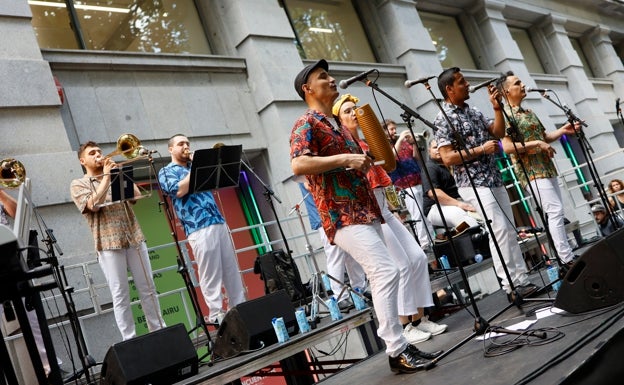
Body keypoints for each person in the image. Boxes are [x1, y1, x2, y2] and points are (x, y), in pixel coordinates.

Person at [290, 59, 441, 373]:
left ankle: (400, 345)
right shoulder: (306, 122)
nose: (331, 80)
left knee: (392, 270)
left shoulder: (337, 128)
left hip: (366, 211)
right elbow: (298, 165)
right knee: (386, 272)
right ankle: (396, 349)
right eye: (323, 77)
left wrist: (371, 154)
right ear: (308, 89)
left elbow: (372, 163)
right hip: (341, 216)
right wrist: (345, 157)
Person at [333, 94, 447, 344]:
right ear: (338, 120)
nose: (354, 114)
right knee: (400, 265)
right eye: (348, 111)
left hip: (384, 208)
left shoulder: (364, 143)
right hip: (369, 212)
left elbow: (391, 166)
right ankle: (404, 326)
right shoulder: (343, 146)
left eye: (355, 109)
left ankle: (419, 318)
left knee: (417, 258)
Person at [432, 67, 538, 302]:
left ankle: (522, 280)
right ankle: (510, 285)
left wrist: (497, 108)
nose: (468, 84)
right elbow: (447, 157)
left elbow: (498, 132)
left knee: (509, 230)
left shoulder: (474, 111)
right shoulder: (443, 117)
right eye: (462, 82)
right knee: (498, 229)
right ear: (449, 89)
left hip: (493, 177)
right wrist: (480, 149)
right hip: (473, 184)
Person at [70, 141, 165, 340]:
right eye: (92, 153)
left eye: (99, 151)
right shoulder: (78, 184)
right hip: (107, 243)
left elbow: (136, 196)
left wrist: (120, 175)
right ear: (82, 160)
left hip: (134, 237)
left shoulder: (115, 175)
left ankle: (159, 331)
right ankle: (129, 339)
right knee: (120, 294)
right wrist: (106, 177)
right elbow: (93, 204)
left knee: (148, 287)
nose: (98, 155)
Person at [158, 134, 246, 324]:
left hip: (217, 221)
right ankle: (216, 315)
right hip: (198, 227)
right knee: (210, 273)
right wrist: (197, 166)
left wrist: (200, 165)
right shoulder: (166, 171)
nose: (185, 146)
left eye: (187, 143)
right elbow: (178, 190)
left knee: (231, 269)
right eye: (180, 144)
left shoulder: (195, 167)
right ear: (170, 149)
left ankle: (239, 308)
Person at [498, 71, 579, 265]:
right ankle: (566, 257)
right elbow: (508, 147)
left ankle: (566, 254)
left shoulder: (528, 112)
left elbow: (545, 137)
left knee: (558, 211)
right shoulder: (506, 116)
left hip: (546, 167)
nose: (523, 85)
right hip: (531, 171)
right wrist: (536, 144)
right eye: (517, 83)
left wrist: (562, 130)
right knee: (555, 210)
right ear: (506, 91)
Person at [0, 189, 53, 376]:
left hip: (9, 258)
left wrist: (1, 193)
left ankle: (49, 366)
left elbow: (19, 214)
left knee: (30, 312)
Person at [297, 182, 368, 308]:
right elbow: (313, 187)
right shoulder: (304, 169)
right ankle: (341, 296)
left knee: (350, 253)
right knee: (335, 255)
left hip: (337, 213)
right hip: (325, 216)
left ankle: (359, 289)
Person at [384, 119, 434, 249]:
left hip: (418, 180)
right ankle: (424, 243)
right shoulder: (385, 146)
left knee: (426, 212)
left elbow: (416, 157)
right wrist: (400, 139)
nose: (394, 131)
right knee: (417, 214)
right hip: (405, 186)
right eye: (391, 129)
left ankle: (432, 240)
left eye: (395, 128)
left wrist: (415, 144)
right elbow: (391, 158)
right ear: (384, 131)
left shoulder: (405, 143)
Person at [422, 139, 480, 229]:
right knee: (461, 216)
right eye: (434, 147)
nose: (437, 150)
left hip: (456, 201)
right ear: (429, 150)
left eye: (439, 147)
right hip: (435, 207)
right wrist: (459, 204)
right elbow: (433, 193)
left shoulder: (452, 163)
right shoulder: (430, 167)